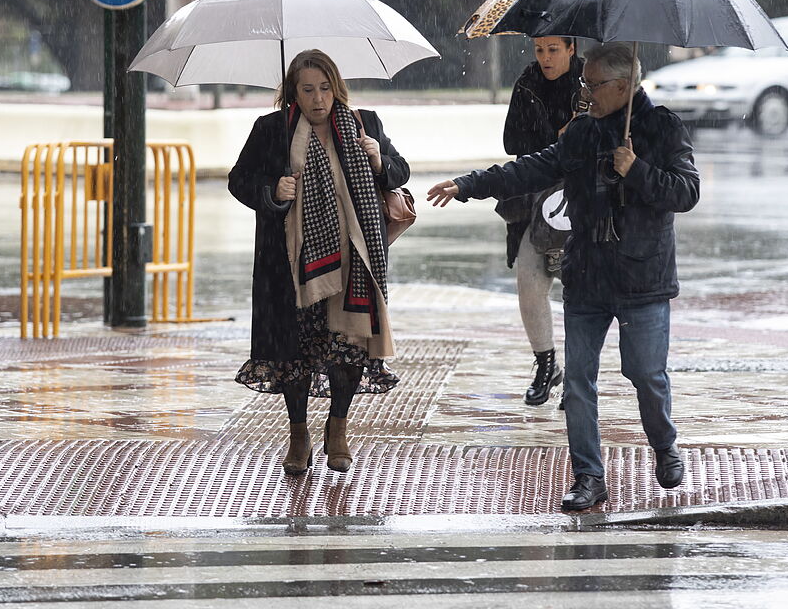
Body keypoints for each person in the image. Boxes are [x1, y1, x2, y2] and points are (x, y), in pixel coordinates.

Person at [428, 42, 699, 511]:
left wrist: (636, 170)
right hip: (588, 276)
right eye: (584, 83)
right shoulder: (581, 133)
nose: (585, 92)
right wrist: (468, 184)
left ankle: (663, 444)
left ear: (622, 87)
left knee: (645, 374)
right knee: (577, 381)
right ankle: (588, 476)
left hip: (642, 279)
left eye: (593, 85)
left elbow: (686, 192)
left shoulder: (661, 127)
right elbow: (530, 169)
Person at [228, 49, 409, 476]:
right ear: (294, 92)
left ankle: (338, 429)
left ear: (337, 88)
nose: (318, 99)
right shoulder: (271, 130)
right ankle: (298, 434)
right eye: (307, 90)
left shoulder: (364, 123)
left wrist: (379, 160)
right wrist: (273, 190)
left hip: (354, 261)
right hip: (289, 264)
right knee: (296, 351)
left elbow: (400, 172)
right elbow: (239, 179)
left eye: (325, 88)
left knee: (347, 346)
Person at [500, 36, 584, 406]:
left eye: (553, 49)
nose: (545, 58)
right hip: (533, 197)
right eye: (539, 50)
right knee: (530, 283)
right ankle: (546, 363)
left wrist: (582, 132)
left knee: (581, 291)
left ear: (571, 49)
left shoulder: (591, 82)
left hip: (584, 199)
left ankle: (579, 376)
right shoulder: (527, 84)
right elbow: (510, 141)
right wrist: (555, 139)